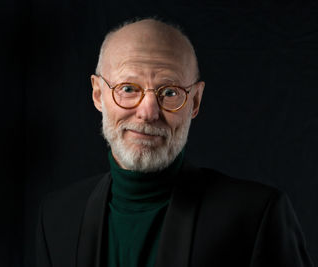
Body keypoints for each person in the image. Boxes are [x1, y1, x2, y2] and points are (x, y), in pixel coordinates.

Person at [36, 18, 313, 267]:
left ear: (195, 101)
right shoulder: (56, 217)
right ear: (98, 95)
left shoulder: (255, 216)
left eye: (170, 92)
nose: (148, 112)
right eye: (128, 89)